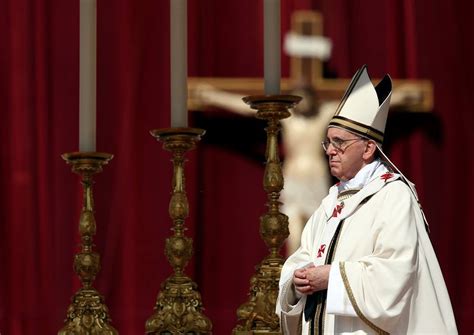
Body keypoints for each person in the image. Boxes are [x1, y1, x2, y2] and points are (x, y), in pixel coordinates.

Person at [276, 65, 457, 334]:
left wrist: (331, 278)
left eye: (340, 143)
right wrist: (296, 279)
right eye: (328, 143)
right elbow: (304, 255)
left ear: (369, 148)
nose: (330, 151)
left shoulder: (394, 196)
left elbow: (395, 274)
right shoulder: (332, 201)